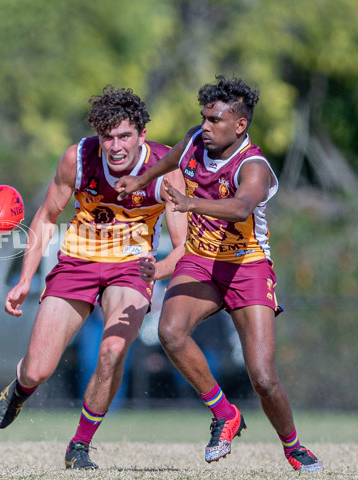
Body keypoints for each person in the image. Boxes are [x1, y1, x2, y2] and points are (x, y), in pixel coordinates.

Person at [115, 75, 323, 472]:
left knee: (262, 377)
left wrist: (192, 203)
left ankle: (293, 446)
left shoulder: (254, 165)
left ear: (240, 125)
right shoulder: (197, 140)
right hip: (201, 261)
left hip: (247, 267)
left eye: (215, 120)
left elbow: (243, 207)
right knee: (170, 331)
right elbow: (176, 154)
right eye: (204, 118)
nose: (206, 127)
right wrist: (141, 178)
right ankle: (225, 413)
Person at [0, 86, 187, 470]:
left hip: (132, 268)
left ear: (142, 135)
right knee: (36, 369)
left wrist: (157, 271)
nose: (116, 147)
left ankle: (79, 445)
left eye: (125, 136)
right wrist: (24, 279)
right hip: (77, 262)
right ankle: (20, 389)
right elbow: (47, 218)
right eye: (108, 137)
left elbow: (182, 246)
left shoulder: (166, 170)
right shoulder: (77, 159)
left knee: (112, 351)